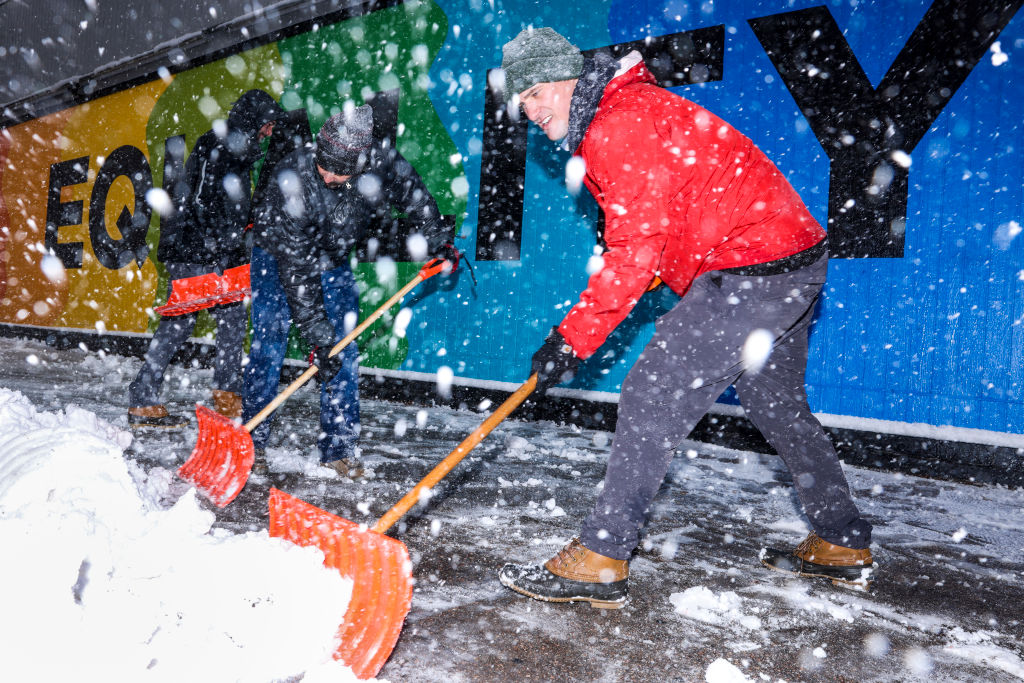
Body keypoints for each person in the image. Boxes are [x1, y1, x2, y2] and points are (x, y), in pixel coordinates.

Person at [496, 28, 875, 608]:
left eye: (538, 91)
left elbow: (636, 245)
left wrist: (572, 338)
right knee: (777, 405)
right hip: (791, 264)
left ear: (570, 79)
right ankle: (842, 539)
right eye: (522, 101)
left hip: (750, 268)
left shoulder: (615, 123)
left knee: (652, 390)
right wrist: (640, 277)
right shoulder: (627, 110)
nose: (531, 109)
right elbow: (664, 227)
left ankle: (603, 554)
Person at [244, 104, 456, 476]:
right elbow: (297, 269)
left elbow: (413, 191)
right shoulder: (290, 178)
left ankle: (338, 447)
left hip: (333, 256)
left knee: (345, 346)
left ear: (360, 161)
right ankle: (250, 440)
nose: (328, 175)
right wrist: (316, 335)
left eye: (340, 170)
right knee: (270, 342)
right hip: (276, 253)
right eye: (324, 165)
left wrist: (435, 232)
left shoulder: (380, 160)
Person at [128, 89, 283, 428]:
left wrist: (242, 230)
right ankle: (142, 397)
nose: (269, 132)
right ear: (254, 121)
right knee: (180, 322)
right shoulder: (219, 144)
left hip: (218, 251)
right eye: (267, 125)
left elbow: (232, 205)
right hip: (194, 249)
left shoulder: (237, 151)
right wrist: (219, 242)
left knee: (232, 318)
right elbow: (199, 201)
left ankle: (227, 393)